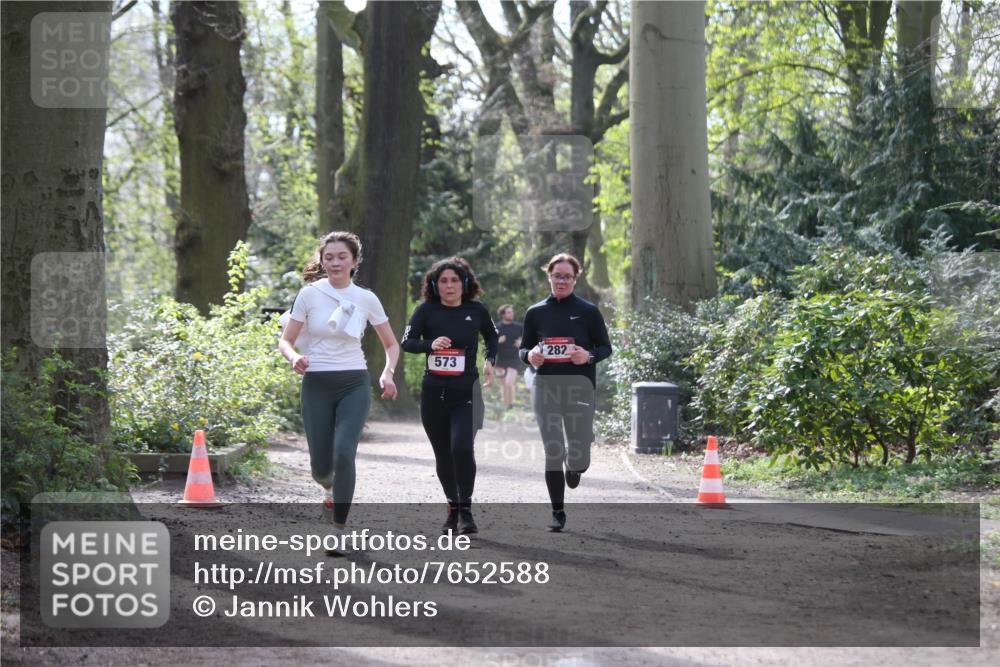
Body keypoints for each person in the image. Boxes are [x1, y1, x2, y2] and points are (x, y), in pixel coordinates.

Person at [278, 231, 400, 553]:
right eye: (328, 257)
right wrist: (294, 357)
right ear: (322, 260)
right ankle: (329, 488)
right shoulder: (308, 295)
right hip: (316, 382)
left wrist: (388, 372)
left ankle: (339, 530)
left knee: (344, 452)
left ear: (354, 261)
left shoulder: (366, 298)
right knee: (321, 467)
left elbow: (391, 344)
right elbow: (285, 339)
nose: (334, 262)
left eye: (341, 257)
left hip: (353, 383)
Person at [401, 257, 498, 535]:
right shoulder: (425, 311)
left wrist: (490, 361)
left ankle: (466, 510)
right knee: (443, 455)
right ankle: (452, 508)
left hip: (466, 392)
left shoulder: (477, 310)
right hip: (433, 394)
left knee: (462, 448)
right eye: (443, 281)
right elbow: (408, 342)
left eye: (454, 280)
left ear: (465, 283)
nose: (449, 285)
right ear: (435, 284)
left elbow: (492, 337)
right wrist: (430, 344)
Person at [519, 253, 612, 532]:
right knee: (552, 448)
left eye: (567, 276)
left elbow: (605, 347)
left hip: (579, 387)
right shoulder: (535, 313)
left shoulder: (588, 311)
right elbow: (524, 348)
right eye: (557, 275)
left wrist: (588, 356)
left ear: (575, 278)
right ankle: (557, 512)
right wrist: (530, 355)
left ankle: (576, 464)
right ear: (549, 276)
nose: (561, 280)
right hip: (546, 387)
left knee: (579, 450)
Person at [494, 304, 524, 410]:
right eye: (509, 312)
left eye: (512, 312)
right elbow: (490, 345)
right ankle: (506, 406)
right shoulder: (497, 327)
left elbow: (527, 342)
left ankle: (511, 405)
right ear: (503, 314)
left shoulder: (519, 327)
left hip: (514, 359)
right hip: (500, 359)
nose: (512, 314)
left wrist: (521, 343)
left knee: (509, 383)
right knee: (503, 385)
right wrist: (498, 341)